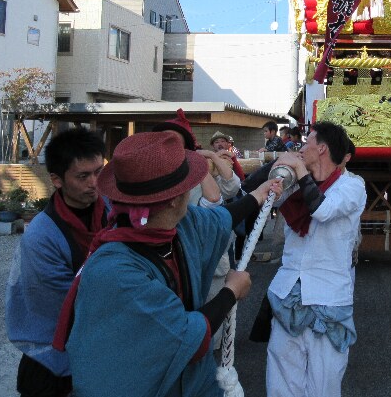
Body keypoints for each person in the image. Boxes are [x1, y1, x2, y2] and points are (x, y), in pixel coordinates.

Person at [54, 131, 283, 397]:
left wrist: (257, 194)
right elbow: (184, 335)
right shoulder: (114, 271)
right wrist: (231, 292)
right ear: (175, 198)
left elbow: (220, 219)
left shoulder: (177, 225)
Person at [264, 121, 367, 397]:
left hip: (328, 298)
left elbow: (323, 210)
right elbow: (256, 194)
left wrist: (299, 170)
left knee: (324, 386)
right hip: (287, 295)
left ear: (321, 149)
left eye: (306, 142)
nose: (300, 148)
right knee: (281, 384)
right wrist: (277, 169)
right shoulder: (294, 184)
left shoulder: (353, 186)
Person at [5, 127, 107, 397]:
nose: (94, 183)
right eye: (83, 176)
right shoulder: (41, 236)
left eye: (99, 172)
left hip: (98, 348)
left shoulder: (110, 210)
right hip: (52, 356)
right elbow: (66, 304)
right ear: (56, 179)